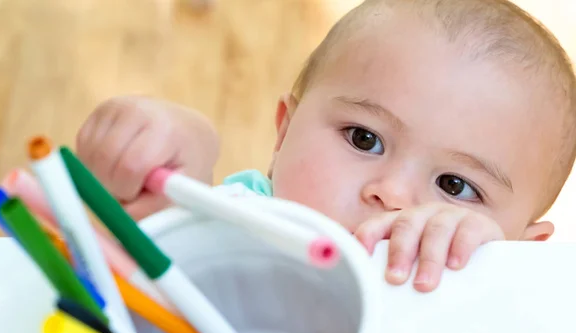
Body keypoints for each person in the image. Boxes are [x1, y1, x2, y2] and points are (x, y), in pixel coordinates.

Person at [76, 0, 576, 292]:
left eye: (455, 186)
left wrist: (487, 281)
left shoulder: (498, 305)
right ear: (283, 133)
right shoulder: (250, 220)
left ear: (523, 251)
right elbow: (165, 256)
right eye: (365, 138)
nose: (393, 194)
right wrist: (176, 171)